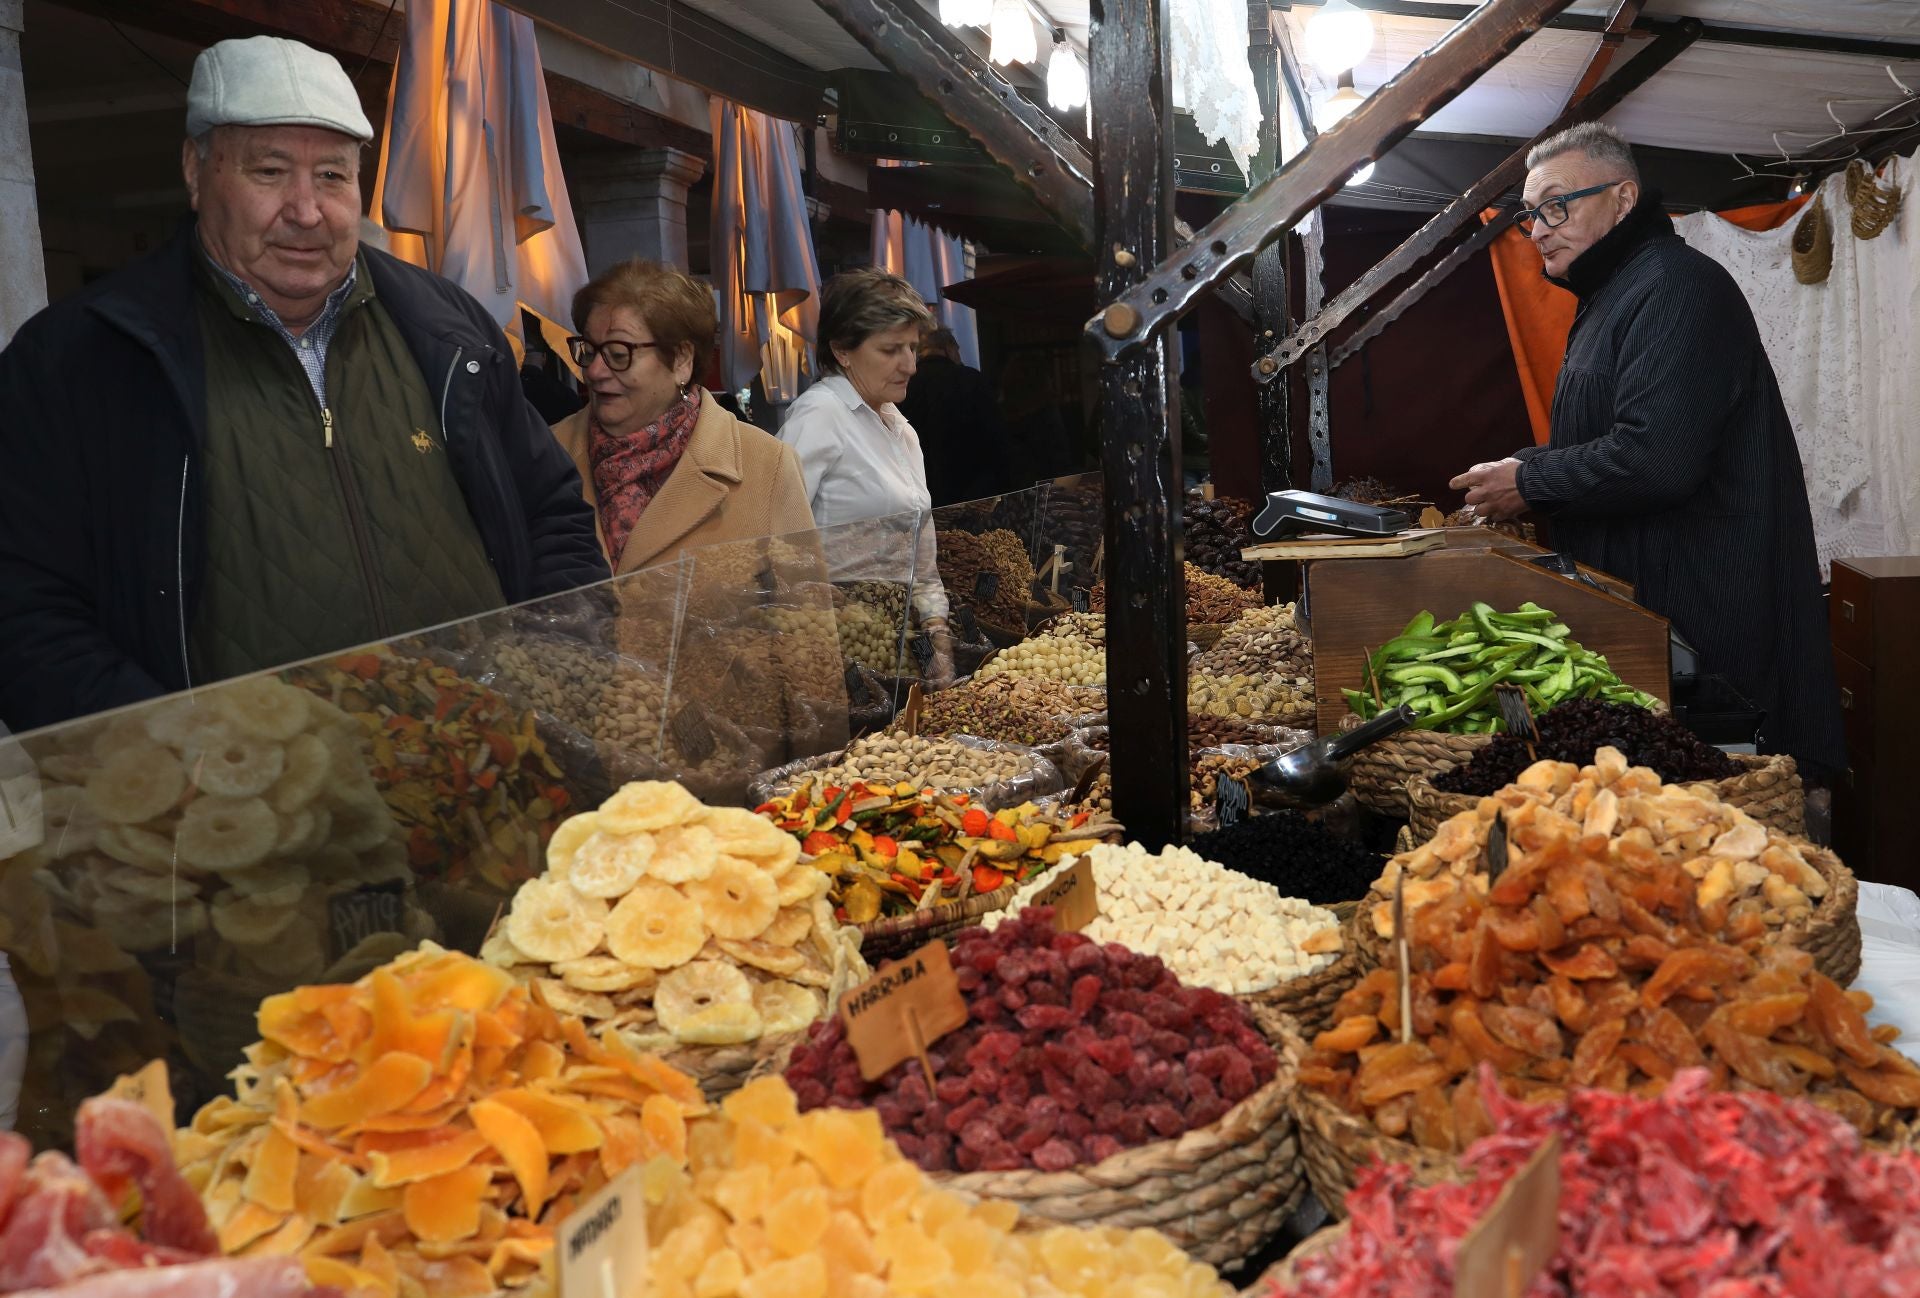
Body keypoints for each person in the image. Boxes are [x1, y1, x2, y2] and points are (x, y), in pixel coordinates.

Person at [0, 36, 608, 736]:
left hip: (478, 777)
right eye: (269, 171)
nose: (307, 210)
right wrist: (168, 756)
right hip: (243, 817)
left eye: (332, 176)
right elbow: (23, 604)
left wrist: (562, 669)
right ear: (197, 173)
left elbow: (553, 512)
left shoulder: (452, 331)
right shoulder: (80, 358)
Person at [1449, 122, 1843, 775]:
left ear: (1624, 200)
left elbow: (1657, 458)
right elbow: (1602, 440)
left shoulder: (1676, 285)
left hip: (1703, 632)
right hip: (1648, 623)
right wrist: (1524, 469)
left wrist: (1532, 481)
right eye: (1530, 215)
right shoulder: (1612, 293)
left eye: (1556, 206)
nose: (1538, 228)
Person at [550, 259, 814, 572]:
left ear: (681, 360)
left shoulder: (767, 465)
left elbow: (805, 609)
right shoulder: (544, 452)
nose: (593, 371)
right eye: (589, 351)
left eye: (618, 354)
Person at [779, 269, 955, 686]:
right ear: (842, 350)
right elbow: (774, 537)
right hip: (836, 650)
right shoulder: (820, 415)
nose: (910, 365)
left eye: (913, 347)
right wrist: (827, 606)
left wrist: (936, 628)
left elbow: (920, 555)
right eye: (891, 349)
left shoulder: (901, 428)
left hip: (897, 645)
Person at [897, 326, 1006, 505]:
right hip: (973, 488)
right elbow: (996, 437)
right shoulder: (971, 380)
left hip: (922, 489)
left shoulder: (904, 386)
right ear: (948, 348)